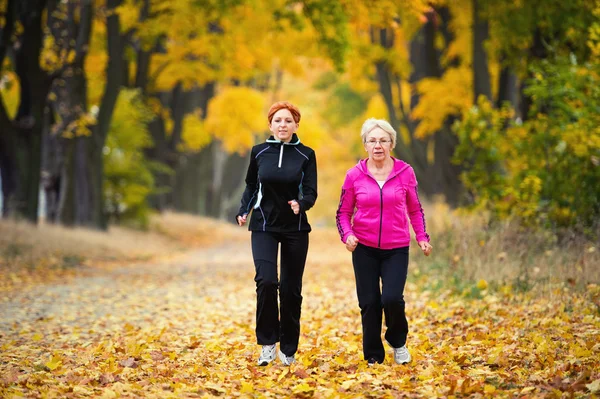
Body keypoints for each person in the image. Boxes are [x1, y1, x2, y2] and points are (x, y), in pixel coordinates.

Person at [335, 118, 432, 366]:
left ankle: (398, 342)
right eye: (372, 140)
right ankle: (374, 356)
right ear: (365, 145)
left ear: (391, 144)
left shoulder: (405, 172)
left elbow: (415, 209)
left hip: (396, 248)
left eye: (383, 140)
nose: (378, 145)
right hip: (364, 248)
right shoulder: (353, 175)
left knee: (391, 299)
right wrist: (348, 236)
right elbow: (343, 213)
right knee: (369, 303)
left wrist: (421, 237)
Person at [236, 101, 318, 366]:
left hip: (294, 228)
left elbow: (311, 190)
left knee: (291, 290)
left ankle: (288, 348)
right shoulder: (259, 152)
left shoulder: (306, 154)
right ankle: (268, 344)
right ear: (270, 125)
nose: (283, 125)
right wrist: (243, 210)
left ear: (296, 125)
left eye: (288, 121)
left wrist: (301, 204)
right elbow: (251, 185)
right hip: (263, 226)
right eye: (278, 121)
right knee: (267, 281)